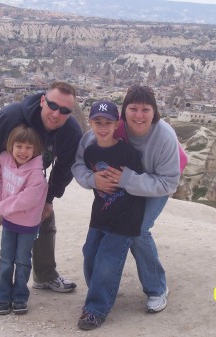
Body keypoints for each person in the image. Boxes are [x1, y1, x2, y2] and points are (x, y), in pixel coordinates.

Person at [0, 81, 83, 313]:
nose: (56, 113)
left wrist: (48, 198)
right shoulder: (11, 117)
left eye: (65, 110)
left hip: (27, 178)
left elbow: (64, 167)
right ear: (43, 100)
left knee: (44, 222)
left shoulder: (70, 131)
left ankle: (45, 275)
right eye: (52, 105)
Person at [71, 85, 180, 314]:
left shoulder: (164, 136)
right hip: (123, 185)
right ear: (123, 112)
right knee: (100, 238)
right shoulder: (111, 127)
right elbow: (80, 161)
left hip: (156, 184)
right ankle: (100, 287)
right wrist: (92, 180)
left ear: (154, 112)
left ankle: (157, 288)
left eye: (145, 109)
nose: (139, 116)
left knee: (138, 230)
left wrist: (127, 179)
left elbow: (168, 183)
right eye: (133, 109)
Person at [71, 100, 145, 330]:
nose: (102, 127)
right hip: (100, 214)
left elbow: (141, 184)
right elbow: (84, 172)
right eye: (97, 122)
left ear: (116, 125)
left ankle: (96, 309)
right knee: (90, 254)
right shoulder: (91, 151)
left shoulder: (129, 153)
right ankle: (100, 292)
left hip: (125, 217)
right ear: (91, 123)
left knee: (107, 260)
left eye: (108, 123)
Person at [0, 125, 48, 315]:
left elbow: (27, 200)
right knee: (6, 260)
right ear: (11, 146)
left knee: (23, 261)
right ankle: (3, 297)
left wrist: (0, 208)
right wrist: (0, 197)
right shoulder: (4, 160)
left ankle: (20, 297)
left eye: (28, 147)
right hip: (9, 221)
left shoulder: (36, 175)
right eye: (19, 146)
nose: (23, 152)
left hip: (27, 224)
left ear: (35, 150)